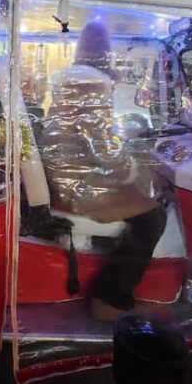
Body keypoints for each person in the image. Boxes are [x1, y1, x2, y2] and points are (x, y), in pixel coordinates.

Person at [39, 20, 166, 321]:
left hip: (61, 174)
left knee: (141, 202)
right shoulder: (95, 81)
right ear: (104, 50)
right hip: (80, 184)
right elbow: (103, 147)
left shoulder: (65, 78)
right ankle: (110, 297)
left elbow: (78, 132)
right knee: (153, 217)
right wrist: (131, 167)